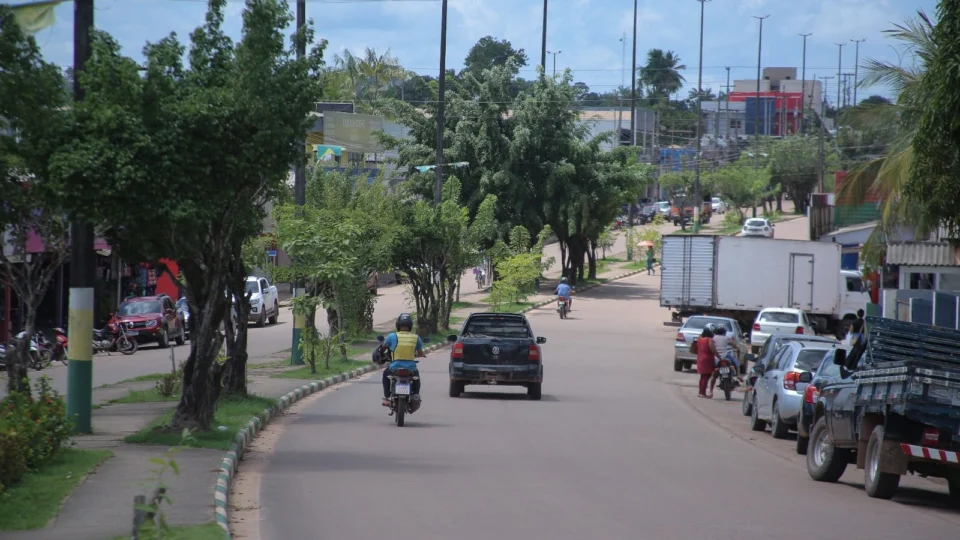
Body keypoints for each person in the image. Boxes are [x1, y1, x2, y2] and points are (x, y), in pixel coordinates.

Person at [381, 313, 425, 407]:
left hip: (395, 367)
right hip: (411, 368)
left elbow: (383, 348)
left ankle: (387, 397)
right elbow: (420, 352)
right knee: (416, 378)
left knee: (385, 374)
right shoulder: (416, 338)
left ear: (398, 325)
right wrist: (420, 354)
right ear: (410, 325)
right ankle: (415, 395)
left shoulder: (392, 336)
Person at [710, 325, 743, 394]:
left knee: (713, 376)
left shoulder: (713, 338)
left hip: (716, 357)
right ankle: (739, 375)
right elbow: (734, 345)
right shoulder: (726, 338)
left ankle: (711, 391)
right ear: (724, 332)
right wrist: (738, 349)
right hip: (725, 356)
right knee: (737, 363)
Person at [691, 325, 720, 398]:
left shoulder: (699, 337)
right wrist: (719, 356)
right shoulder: (709, 339)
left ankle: (701, 392)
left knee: (702, 376)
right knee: (706, 376)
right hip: (707, 359)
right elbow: (713, 349)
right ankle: (702, 393)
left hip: (700, 358)